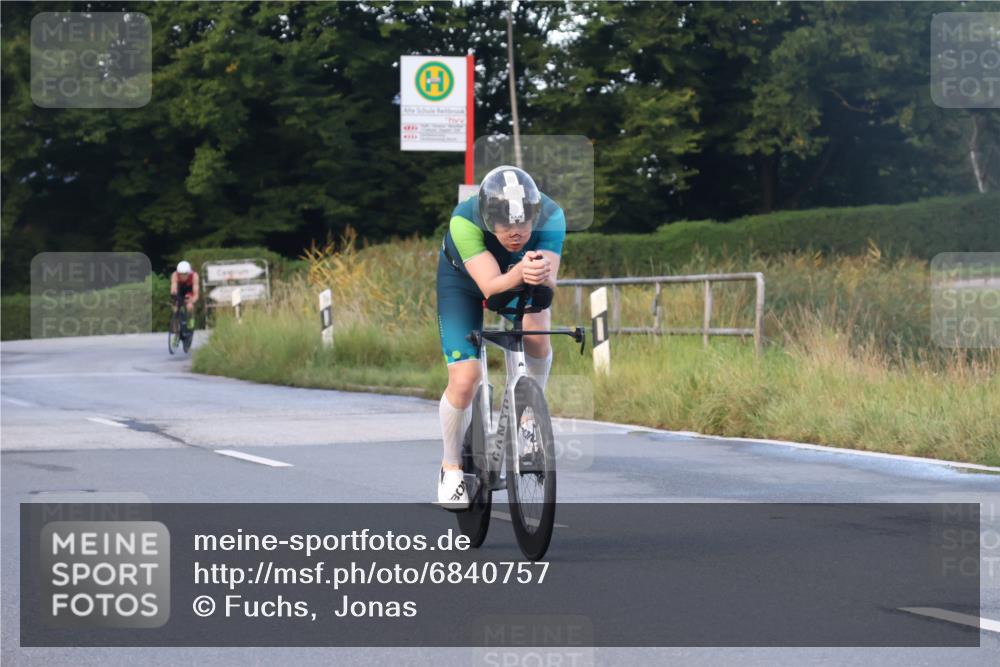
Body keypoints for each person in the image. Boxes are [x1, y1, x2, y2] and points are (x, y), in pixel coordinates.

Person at [436, 166, 566, 508]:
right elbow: (491, 289)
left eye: (524, 224)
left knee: (537, 335)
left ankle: (528, 419)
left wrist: (538, 277)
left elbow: (547, 288)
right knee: (466, 378)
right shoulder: (464, 221)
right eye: (506, 224)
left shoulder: (552, 217)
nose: (516, 233)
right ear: (488, 218)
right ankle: (450, 467)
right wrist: (521, 271)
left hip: (517, 277)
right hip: (463, 283)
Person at [170, 260, 200, 331]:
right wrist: (174, 296)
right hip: (180, 289)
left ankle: (190, 319)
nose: (183, 276)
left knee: (190, 306)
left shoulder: (194, 276)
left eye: (185, 274)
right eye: (180, 274)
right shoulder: (175, 275)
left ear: (189, 273)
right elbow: (173, 287)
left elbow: (196, 293)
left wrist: (192, 300)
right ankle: (176, 324)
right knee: (175, 307)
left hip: (189, 290)